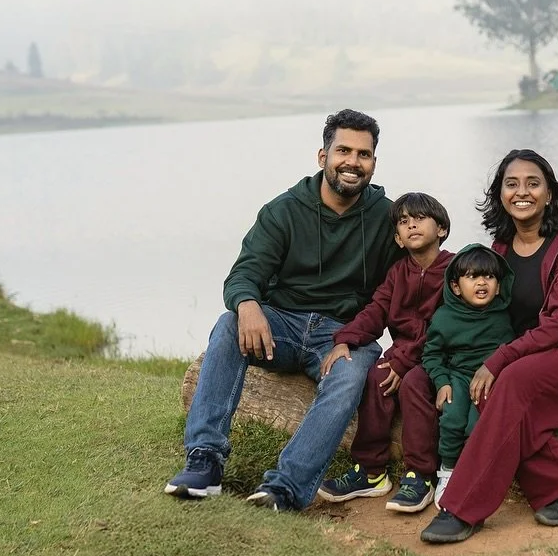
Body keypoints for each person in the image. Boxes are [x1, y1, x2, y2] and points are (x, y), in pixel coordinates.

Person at [165, 109, 398, 511]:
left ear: (374, 163)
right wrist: (249, 305)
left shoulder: (386, 217)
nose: (353, 162)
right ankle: (205, 461)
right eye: (343, 150)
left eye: (364, 154)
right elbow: (243, 275)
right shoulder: (284, 210)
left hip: (344, 333)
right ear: (322, 156)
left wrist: (401, 349)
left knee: (350, 374)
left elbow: (405, 289)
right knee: (228, 323)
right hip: (282, 327)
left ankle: (286, 487)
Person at [419, 149, 558, 544]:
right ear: (499, 194)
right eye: (511, 184)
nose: (522, 192)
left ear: (549, 193)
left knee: (507, 382)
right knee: (490, 393)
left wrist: (498, 359)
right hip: (537, 352)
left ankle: (461, 508)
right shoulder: (501, 249)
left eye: (533, 183)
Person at [316, 193, 454, 513]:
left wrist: (404, 362)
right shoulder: (397, 273)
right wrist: (345, 340)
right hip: (403, 352)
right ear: (398, 238)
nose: (411, 225)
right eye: (404, 222)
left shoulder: (453, 269)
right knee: (375, 375)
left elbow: (447, 325)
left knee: (413, 383)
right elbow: (375, 310)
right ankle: (372, 473)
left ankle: (421, 474)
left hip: (442, 354)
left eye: (419, 218)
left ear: (442, 228)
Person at [419, 244, 515, 507]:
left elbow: (510, 353)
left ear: (498, 284)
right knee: (452, 418)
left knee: (477, 427)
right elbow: (431, 354)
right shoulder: (445, 318)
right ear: (456, 287)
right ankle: (447, 472)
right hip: (458, 378)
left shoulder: (503, 317)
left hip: (490, 381)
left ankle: (472, 474)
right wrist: (442, 383)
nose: (482, 282)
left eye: (489, 276)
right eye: (472, 276)